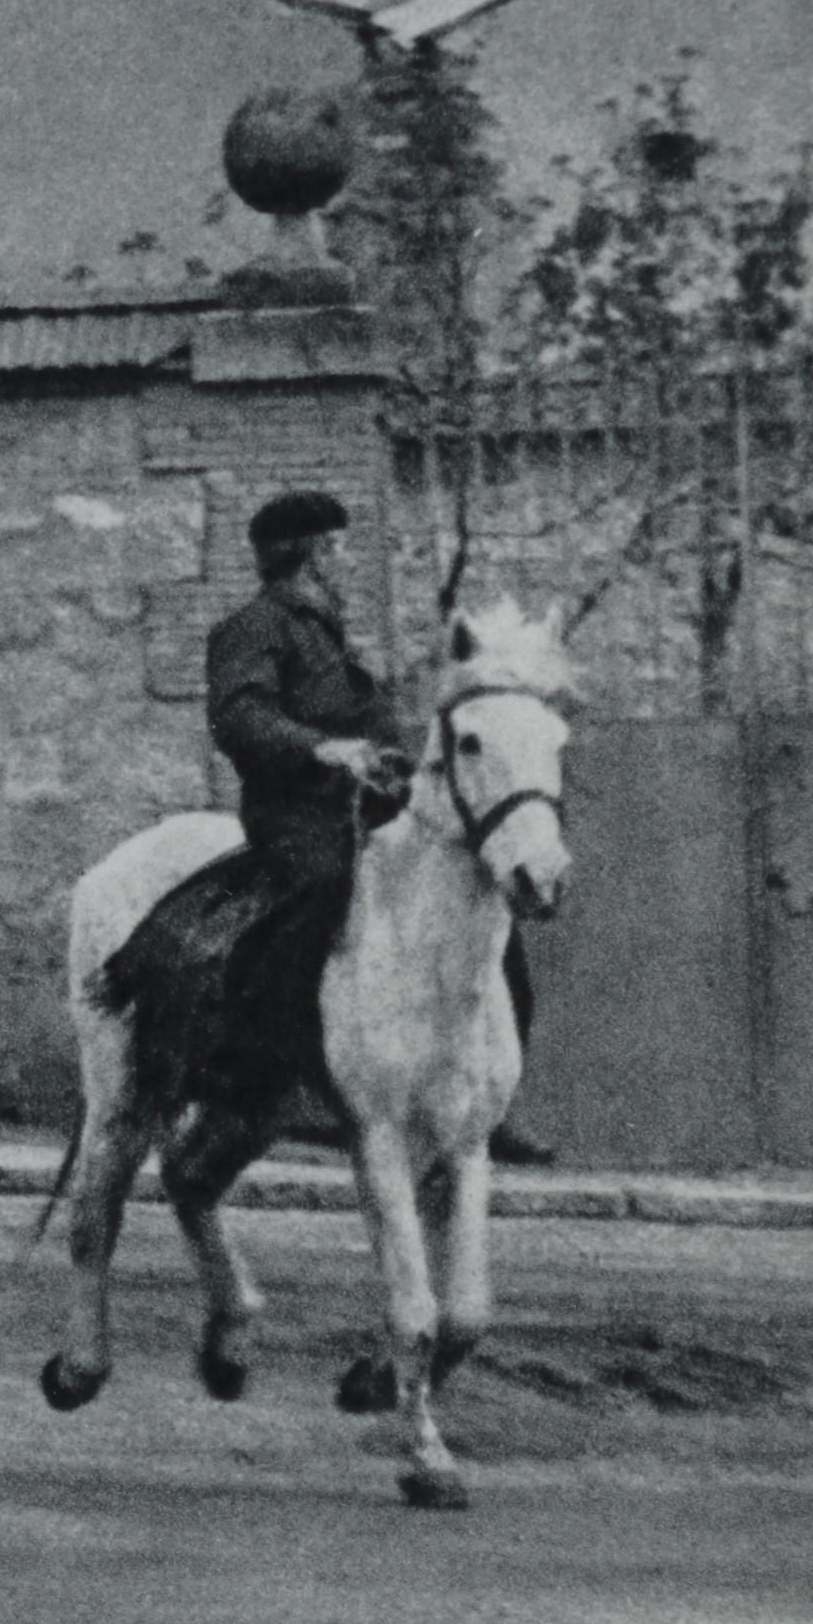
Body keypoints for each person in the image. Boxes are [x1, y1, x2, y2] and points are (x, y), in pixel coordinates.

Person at [202, 489, 549, 1159]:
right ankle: (292, 1083)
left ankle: (490, 1098)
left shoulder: (329, 631)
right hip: (298, 820)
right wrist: (321, 749)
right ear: (308, 555)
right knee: (323, 897)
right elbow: (239, 717)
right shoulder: (253, 627)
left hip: (371, 811)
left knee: (485, 907)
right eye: (338, 546)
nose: (349, 558)